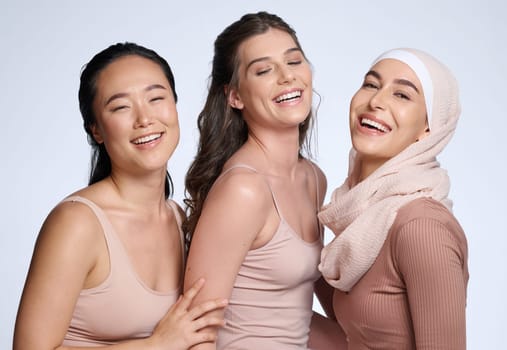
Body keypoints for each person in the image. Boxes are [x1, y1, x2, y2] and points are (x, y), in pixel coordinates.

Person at [13, 42, 227, 349]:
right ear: (96, 130)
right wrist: (157, 345)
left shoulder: (178, 218)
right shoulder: (77, 223)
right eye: (121, 107)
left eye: (156, 98)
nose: (144, 119)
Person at [183, 11, 342, 350]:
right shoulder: (243, 189)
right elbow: (197, 331)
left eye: (294, 61)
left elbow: (291, 310)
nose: (287, 77)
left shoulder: (313, 179)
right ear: (235, 96)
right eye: (264, 70)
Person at [318, 48, 469, 349]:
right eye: (371, 85)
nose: (376, 101)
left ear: (428, 128)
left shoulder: (421, 227)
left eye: (402, 95)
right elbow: (355, 337)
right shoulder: (361, 213)